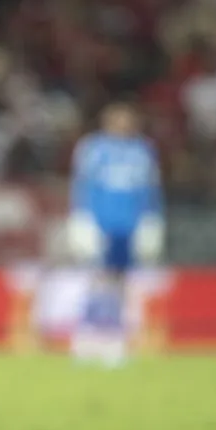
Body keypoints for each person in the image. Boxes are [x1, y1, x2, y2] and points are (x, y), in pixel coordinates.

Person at [66, 102, 163, 366]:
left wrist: (152, 219)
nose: (122, 124)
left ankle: (115, 339)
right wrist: (80, 216)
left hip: (129, 225)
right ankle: (86, 337)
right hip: (99, 223)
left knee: (121, 283)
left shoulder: (143, 151)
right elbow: (81, 184)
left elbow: (151, 189)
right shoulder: (93, 148)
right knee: (96, 281)